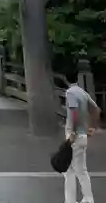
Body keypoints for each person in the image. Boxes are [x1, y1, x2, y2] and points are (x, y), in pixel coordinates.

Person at [64, 68, 101, 203]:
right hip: (84, 135)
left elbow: (73, 112)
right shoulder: (82, 92)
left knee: (69, 171)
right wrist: (92, 127)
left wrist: (72, 132)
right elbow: (96, 109)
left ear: (65, 78)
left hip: (74, 135)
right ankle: (87, 198)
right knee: (81, 170)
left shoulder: (70, 93)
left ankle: (71, 200)